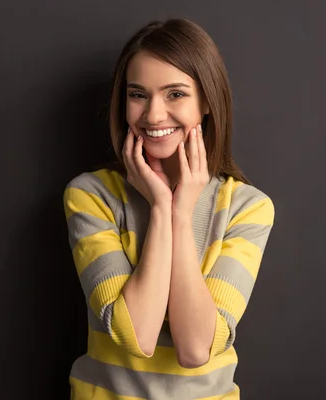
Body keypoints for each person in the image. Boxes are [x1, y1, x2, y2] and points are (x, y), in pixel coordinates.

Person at [63, 18, 275, 399]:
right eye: (138, 94)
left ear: (207, 101)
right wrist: (160, 207)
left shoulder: (248, 208)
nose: (153, 115)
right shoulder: (90, 195)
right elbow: (136, 336)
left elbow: (196, 350)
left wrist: (180, 214)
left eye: (175, 94)